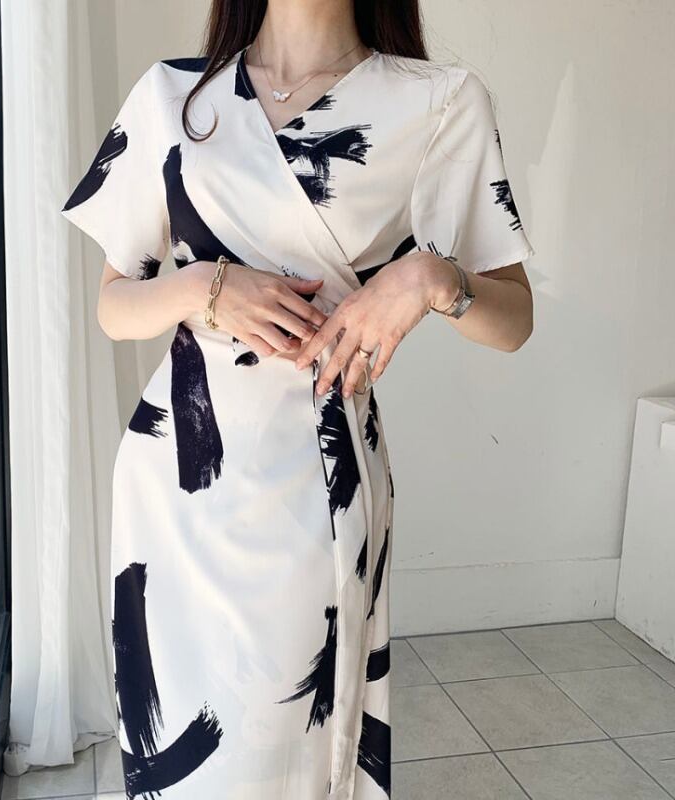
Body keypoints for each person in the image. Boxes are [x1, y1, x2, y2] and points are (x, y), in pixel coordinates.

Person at [61, 1, 534, 797]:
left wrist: (430, 278)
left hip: (312, 489)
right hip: (171, 491)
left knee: (279, 753)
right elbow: (114, 306)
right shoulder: (172, 98)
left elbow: (514, 318)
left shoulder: (437, 102)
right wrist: (204, 287)